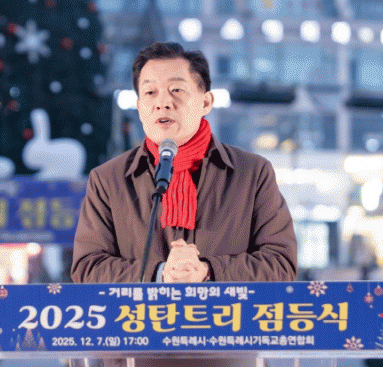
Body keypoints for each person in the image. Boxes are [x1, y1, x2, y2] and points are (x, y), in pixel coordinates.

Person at [70, 42, 297, 367]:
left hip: (226, 358)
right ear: (139, 105)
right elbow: (87, 268)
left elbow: (281, 264)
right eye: (150, 92)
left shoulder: (252, 173)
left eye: (177, 90)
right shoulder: (108, 180)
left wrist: (208, 271)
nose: (163, 101)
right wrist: (161, 274)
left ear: (206, 101)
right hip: (136, 357)